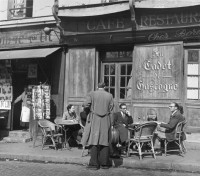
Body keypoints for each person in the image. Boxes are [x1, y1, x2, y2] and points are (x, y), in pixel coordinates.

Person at [82, 82, 114, 170]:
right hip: (105, 119)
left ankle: (94, 164)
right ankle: (104, 164)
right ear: (105, 87)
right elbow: (111, 107)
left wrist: (89, 108)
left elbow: (86, 104)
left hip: (95, 118)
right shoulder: (109, 95)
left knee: (94, 140)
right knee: (105, 140)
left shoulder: (92, 94)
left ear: (97, 87)